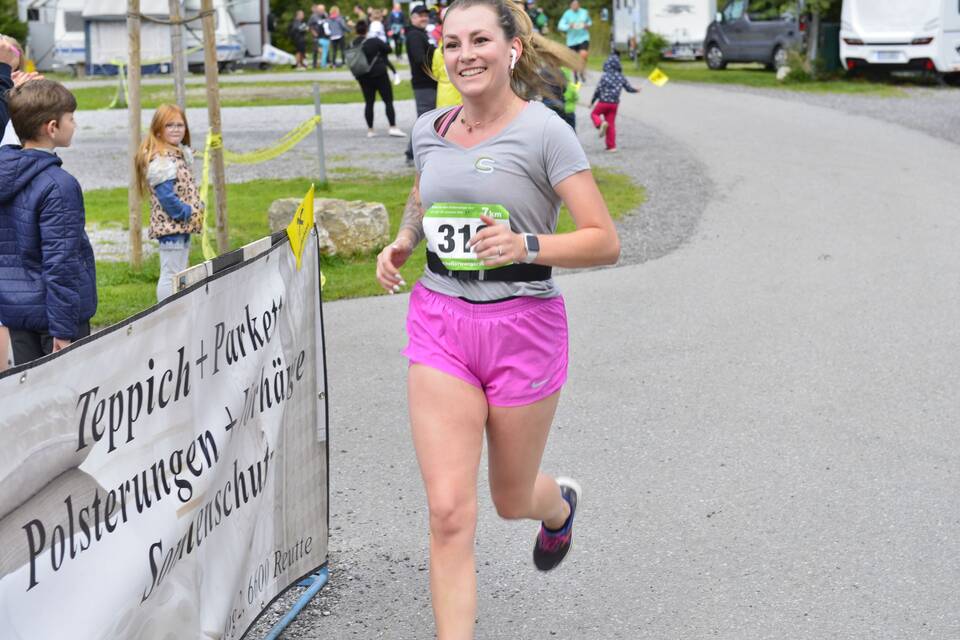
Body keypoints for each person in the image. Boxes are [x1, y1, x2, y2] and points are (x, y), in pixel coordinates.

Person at [374, 0, 618, 636]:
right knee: (449, 513)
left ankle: (557, 507)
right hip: (441, 320)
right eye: (452, 44)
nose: (465, 55)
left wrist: (524, 244)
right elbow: (424, 189)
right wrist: (405, 239)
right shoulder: (430, 127)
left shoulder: (545, 131)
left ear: (511, 49)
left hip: (523, 328)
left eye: (479, 40)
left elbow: (604, 240)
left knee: (511, 499)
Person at [0, 80, 97, 365]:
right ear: (52, 127)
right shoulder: (59, 185)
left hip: (17, 310)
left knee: (30, 389)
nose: (75, 124)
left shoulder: (5, 174)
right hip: (55, 320)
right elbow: (61, 261)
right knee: (69, 390)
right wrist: (64, 329)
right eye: (71, 118)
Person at [134, 104, 203, 302]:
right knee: (171, 273)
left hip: (180, 226)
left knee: (180, 271)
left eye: (180, 125)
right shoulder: (161, 160)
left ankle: (178, 306)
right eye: (169, 125)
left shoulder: (176, 153)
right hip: (171, 226)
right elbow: (166, 197)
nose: (175, 129)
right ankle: (166, 310)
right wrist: (185, 212)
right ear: (158, 129)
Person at [350, 20, 406, 138]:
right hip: (379, 74)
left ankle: (370, 130)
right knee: (388, 101)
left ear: (356, 31)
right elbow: (389, 49)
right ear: (367, 30)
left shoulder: (352, 44)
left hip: (363, 76)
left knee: (369, 103)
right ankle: (392, 127)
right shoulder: (374, 41)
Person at [403, 4, 437, 166]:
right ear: (413, 18)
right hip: (423, 84)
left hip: (428, 83)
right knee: (424, 120)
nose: (424, 18)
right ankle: (411, 154)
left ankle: (426, 152)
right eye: (420, 15)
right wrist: (435, 71)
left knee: (429, 119)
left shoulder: (421, 33)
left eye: (426, 15)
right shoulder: (414, 35)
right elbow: (419, 59)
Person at [590, 51, 637, 153]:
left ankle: (601, 124)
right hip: (614, 104)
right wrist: (636, 90)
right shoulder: (621, 76)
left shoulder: (605, 76)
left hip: (603, 102)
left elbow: (598, 90)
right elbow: (629, 89)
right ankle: (612, 147)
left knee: (594, 114)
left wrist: (592, 101)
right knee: (611, 124)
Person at [558, 0, 591, 81]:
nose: (575, 6)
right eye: (573, 4)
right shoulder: (567, 14)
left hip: (583, 37)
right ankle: (575, 74)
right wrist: (569, 26)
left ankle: (582, 70)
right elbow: (560, 26)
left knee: (583, 54)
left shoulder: (584, 12)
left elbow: (589, 22)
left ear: (579, 5)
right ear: (571, 5)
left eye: (576, 4)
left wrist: (587, 25)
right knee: (574, 57)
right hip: (572, 40)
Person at [308, 4, 331, 69]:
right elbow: (309, 26)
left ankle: (325, 63)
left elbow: (328, 24)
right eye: (320, 9)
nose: (322, 11)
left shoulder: (325, 15)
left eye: (323, 9)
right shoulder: (313, 16)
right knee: (316, 50)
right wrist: (314, 33)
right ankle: (314, 64)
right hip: (316, 36)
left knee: (325, 50)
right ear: (317, 9)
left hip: (325, 36)